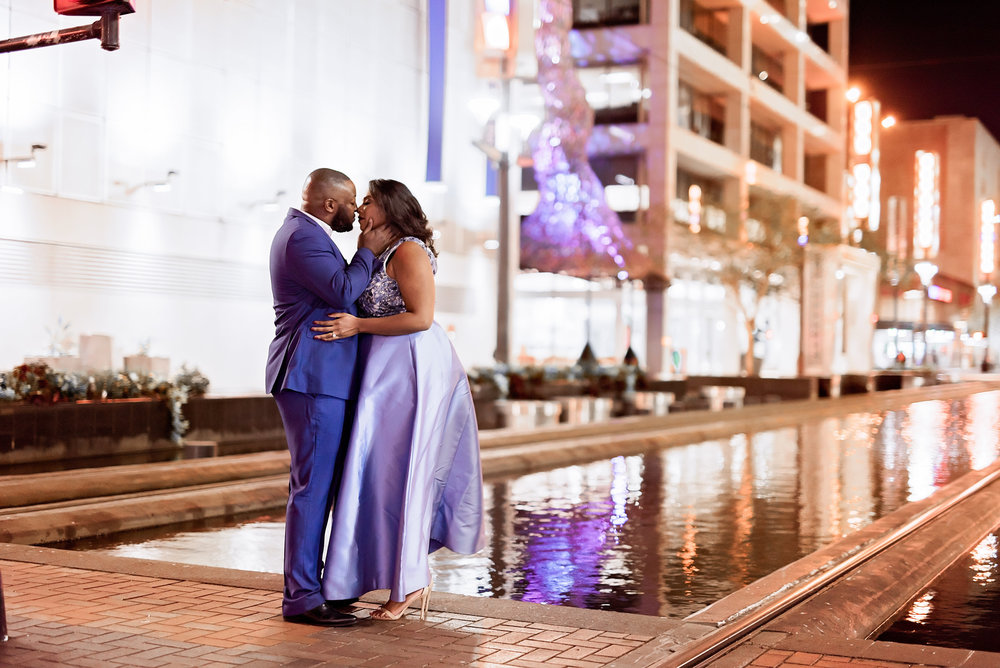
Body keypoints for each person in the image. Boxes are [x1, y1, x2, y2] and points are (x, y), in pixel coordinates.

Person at [311, 179, 486, 621]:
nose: (360, 209)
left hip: (411, 368)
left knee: (405, 472)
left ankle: (407, 585)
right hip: (381, 371)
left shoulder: (408, 250)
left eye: (367, 201)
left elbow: (421, 318)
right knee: (374, 474)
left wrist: (357, 326)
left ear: (388, 207)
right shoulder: (376, 252)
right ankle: (355, 577)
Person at [266, 168, 393, 627]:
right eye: (351, 202)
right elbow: (343, 289)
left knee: (320, 488)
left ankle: (321, 586)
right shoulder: (302, 237)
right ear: (328, 205)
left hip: (323, 379)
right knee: (311, 489)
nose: (357, 211)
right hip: (311, 376)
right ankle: (301, 597)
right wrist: (367, 251)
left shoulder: (305, 234)